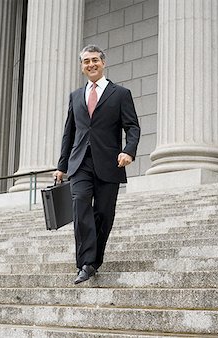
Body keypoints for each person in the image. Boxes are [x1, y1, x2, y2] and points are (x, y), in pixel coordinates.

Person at [54, 45, 141, 284]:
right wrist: (62, 166)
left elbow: (132, 126)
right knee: (80, 205)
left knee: (104, 213)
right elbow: (69, 132)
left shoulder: (120, 94)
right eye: (85, 61)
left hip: (109, 162)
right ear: (82, 67)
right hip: (79, 162)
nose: (90, 64)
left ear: (103, 63)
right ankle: (85, 263)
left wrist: (128, 151)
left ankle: (94, 261)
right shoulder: (75, 96)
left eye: (94, 60)